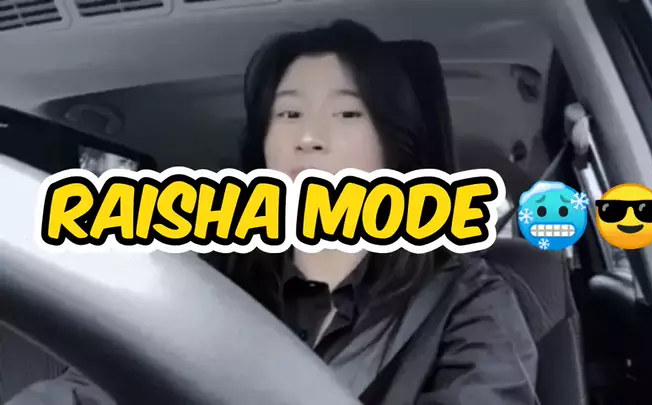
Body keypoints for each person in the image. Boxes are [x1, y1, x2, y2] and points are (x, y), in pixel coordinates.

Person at [6, 19, 538, 405]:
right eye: (289, 113)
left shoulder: (466, 297)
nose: (309, 137)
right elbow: (88, 389)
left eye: (346, 113)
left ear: (393, 148)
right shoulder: (202, 283)